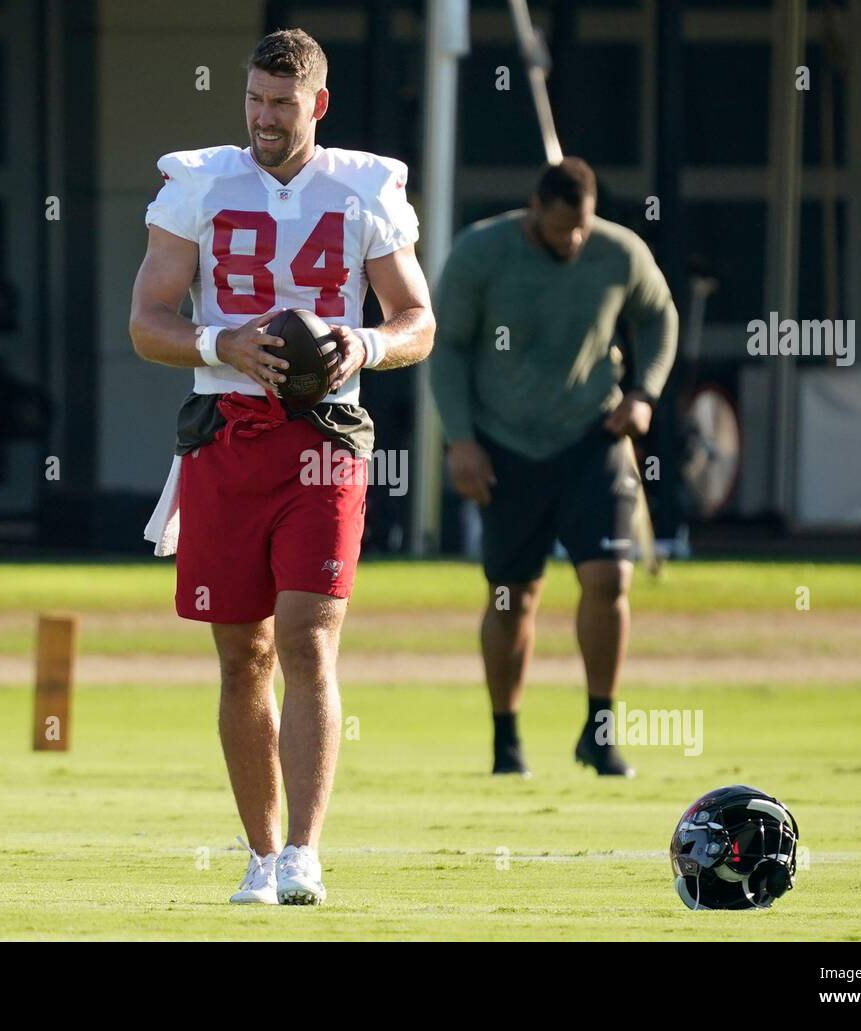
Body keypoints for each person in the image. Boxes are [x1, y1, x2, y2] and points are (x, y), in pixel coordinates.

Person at [129, 29, 434, 904]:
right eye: (255, 101)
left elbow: (418, 318)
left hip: (325, 432)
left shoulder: (362, 187)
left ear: (318, 106)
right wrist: (219, 337)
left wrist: (364, 343)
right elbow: (147, 320)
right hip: (225, 430)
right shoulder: (200, 182)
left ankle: (304, 850)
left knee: (307, 637)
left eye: (283, 105)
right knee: (242, 654)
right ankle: (260, 858)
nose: (265, 119)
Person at [429, 158, 677, 779]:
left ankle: (599, 730)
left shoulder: (620, 252)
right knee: (514, 596)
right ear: (535, 210)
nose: (572, 240)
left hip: (594, 439)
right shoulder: (481, 253)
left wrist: (643, 394)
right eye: (562, 227)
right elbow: (447, 347)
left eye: (582, 229)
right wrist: (460, 440)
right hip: (506, 447)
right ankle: (506, 740)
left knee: (609, 579)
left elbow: (661, 316)